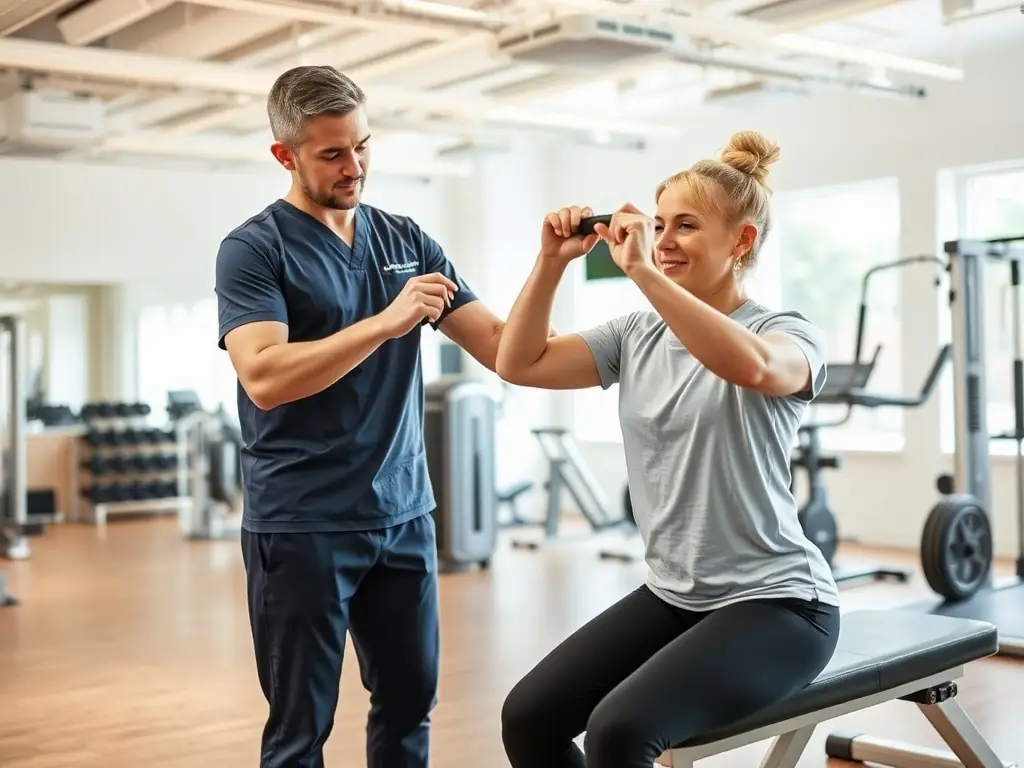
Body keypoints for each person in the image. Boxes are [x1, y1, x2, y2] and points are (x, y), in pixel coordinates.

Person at [495, 130, 842, 768]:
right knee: (529, 719)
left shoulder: (785, 332)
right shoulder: (635, 334)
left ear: (743, 241)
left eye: (686, 225)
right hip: (676, 595)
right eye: (659, 225)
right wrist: (551, 261)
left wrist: (644, 274)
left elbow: (756, 369)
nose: (664, 241)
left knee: (620, 731)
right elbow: (519, 362)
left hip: (779, 604)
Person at [214, 65, 507, 768]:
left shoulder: (406, 238)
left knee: (410, 707)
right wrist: (386, 322)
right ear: (285, 154)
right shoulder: (255, 249)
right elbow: (263, 377)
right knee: (300, 730)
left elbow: (500, 345)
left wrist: (558, 264)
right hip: (303, 521)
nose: (356, 166)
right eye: (333, 153)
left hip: (403, 513)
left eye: (364, 146)